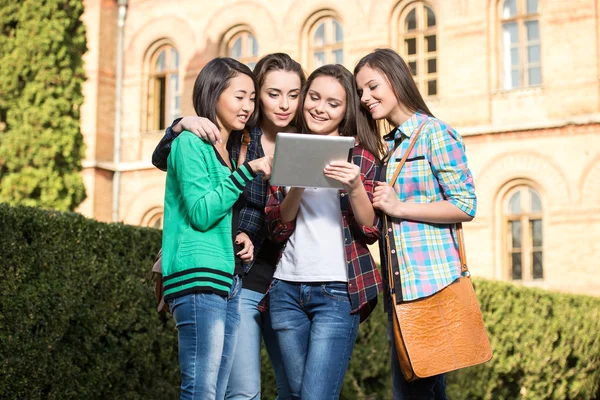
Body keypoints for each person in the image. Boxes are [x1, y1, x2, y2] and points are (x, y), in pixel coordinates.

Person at [153, 53, 305, 400]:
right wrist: (180, 124)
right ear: (214, 93)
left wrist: (242, 235)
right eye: (242, 97)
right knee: (204, 390)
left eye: (251, 98)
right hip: (200, 275)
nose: (249, 106)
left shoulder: (222, 147)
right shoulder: (201, 140)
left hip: (229, 276)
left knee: (214, 390)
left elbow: (222, 209)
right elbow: (201, 211)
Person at [354, 48, 477, 400]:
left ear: (397, 79)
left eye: (373, 86)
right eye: (361, 91)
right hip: (401, 291)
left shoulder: (434, 133)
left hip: (431, 287)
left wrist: (401, 207)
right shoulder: (392, 145)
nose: (366, 98)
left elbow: (465, 204)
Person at [263, 64, 385, 400]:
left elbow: (371, 229)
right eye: (314, 98)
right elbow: (276, 228)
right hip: (286, 290)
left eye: (333, 103)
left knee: (315, 395)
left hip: (337, 291)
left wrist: (356, 185)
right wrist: (297, 186)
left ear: (346, 110)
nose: (320, 108)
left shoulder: (361, 156)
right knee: (295, 392)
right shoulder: (285, 149)